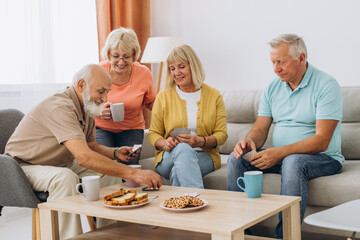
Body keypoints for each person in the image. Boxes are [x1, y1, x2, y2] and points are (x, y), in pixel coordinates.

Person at [4, 64, 161, 240]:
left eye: (107, 91)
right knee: (64, 178)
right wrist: (133, 173)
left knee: (109, 175)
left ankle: (113, 234)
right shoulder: (59, 107)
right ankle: (70, 237)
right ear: (81, 85)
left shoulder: (86, 107)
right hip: (22, 166)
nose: (105, 98)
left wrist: (115, 153)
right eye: (101, 91)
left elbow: (91, 145)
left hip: (59, 163)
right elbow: (84, 157)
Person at [227, 34, 344, 238]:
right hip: (282, 156)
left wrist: (281, 153)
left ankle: (285, 236)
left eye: (281, 62)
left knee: (293, 162)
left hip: (324, 159)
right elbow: (261, 129)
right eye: (273, 62)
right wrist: (249, 141)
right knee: (236, 158)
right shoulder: (273, 88)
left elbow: (322, 140)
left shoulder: (326, 85)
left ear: (301, 58)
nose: (276, 69)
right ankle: (240, 232)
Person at [148, 44, 228, 188]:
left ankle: (183, 205)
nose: (176, 72)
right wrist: (164, 143)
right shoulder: (164, 96)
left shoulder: (214, 95)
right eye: (172, 68)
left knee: (177, 172)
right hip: (168, 156)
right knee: (183, 149)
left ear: (193, 66)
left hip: (205, 155)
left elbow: (222, 135)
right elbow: (153, 133)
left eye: (181, 66)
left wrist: (200, 141)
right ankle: (198, 203)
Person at [95, 27, 157, 165]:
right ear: (109, 54)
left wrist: (169, 116)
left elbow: (152, 102)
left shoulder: (143, 73)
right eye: (116, 56)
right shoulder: (98, 71)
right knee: (105, 165)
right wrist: (98, 110)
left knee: (130, 166)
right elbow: (85, 102)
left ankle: (128, 187)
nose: (121, 62)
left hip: (132, 129)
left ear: (134, 55)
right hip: (102, 128)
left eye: (126, 56)